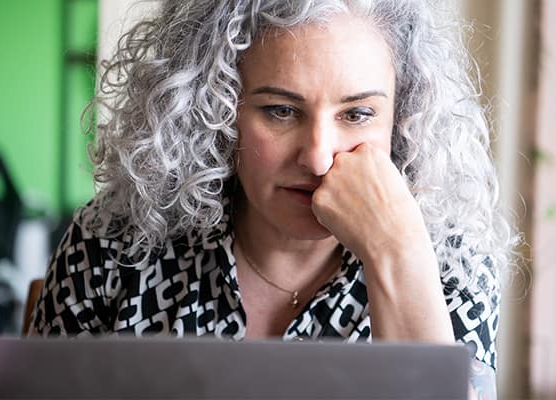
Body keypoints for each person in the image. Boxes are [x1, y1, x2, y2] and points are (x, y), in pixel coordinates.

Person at [29, 0, 516, 397]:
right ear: (216, 107)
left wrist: (397, 255)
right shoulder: (110, 245)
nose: (319, 157)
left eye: (358, 114)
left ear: (402, 117)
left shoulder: (450, 266)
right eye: (281, 111)